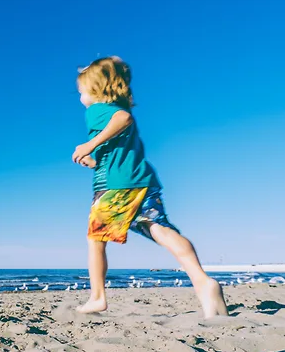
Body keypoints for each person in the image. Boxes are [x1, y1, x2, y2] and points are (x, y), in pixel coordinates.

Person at [62, 56, 228, 319]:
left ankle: (97, 297)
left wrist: (89, 145)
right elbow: (119, 152)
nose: (80, 96)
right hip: (139, 179)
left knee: (95, 240)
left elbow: (122, 118)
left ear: (95, 89)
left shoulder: (97, 109)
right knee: (159, 228)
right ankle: (202, 281)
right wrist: (95, 161)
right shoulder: (112, 107)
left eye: (81, 90)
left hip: (115, 187)